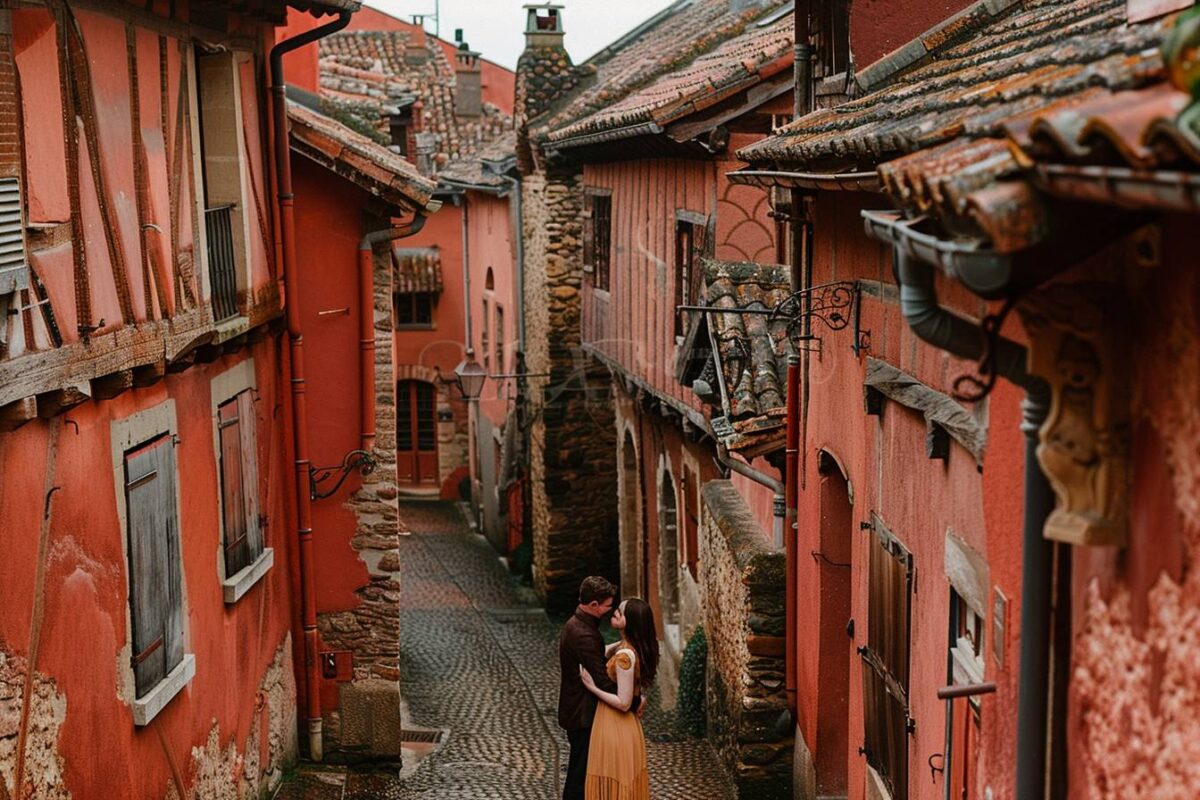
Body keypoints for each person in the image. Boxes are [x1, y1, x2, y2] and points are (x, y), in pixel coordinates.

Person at [579, 598, 659, 800]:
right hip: (621, 725)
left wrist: (592, 687)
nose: (615, 612)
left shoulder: (625, 656)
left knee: (614, 785)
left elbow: (623, 703)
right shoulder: (628, 647)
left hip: (615, 723)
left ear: (630, 622)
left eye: (620, 613)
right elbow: (602, 652)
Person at [559, 576, 626, 800]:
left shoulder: (578, 625)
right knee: (580, 776)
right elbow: (602, 679)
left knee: (581, 771)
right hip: (583, 714)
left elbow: (593, 657)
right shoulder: (583, 634)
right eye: (607, 606)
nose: (610, 610)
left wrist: (619, 645)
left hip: (577, 711)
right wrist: (631, 697)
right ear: (594, 605)